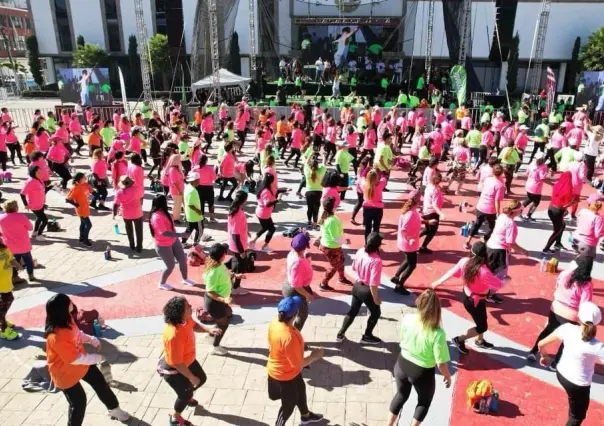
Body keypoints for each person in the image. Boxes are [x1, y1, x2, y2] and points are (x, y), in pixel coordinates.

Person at [45, 293, 130, 425]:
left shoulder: (67, 319)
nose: (72, 303)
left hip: (82, 363)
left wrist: (90, 339)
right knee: (78, 403)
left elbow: (76, 334)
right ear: (62, 309)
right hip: (65, 373)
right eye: (69, 302)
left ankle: (114, 409)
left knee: (101, 384)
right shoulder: (56, 337)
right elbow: (74, 359)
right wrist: (95, 358)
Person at [387, 289, 451, 426]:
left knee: (401, 395)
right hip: (422, 373)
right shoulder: (438, 333)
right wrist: (447, 376)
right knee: (423, 402)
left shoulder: (408, 319)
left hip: (402, 364)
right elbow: (441, 363)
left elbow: (402, 338)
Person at [537, 301, 604, 426]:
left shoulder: (567, 328)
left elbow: (541, 344)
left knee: (574, 402)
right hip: (578, 384)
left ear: (578, 317)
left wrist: (545, 357)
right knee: (577, 417)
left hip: (561, 373)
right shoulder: (597, 347)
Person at [159, 296, 222, 426]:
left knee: (202, 379)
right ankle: (175, 418)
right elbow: (177, 364)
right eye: (187, 306)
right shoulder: (173, 335)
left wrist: (208, 329)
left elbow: (194, 325)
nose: (191, 306)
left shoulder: (185, 319)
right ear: (180, 313)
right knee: (185, 394)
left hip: (188, 361)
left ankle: (188, 396)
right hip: (175, 370)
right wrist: (192, 378)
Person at [432, 241, 504, 353]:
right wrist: (507, 280)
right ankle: (459, 339)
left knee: (482, 319)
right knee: (482, 326)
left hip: (469, 297)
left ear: (471, 252)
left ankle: (479, 340)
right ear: (486, 255)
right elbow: (499, 285)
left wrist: (438, 282)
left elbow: (451, 272)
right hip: (475, 301)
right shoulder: (484, 271)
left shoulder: (465, 262)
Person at [267, 295, 324, 426]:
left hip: (283, 369)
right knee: (289, 405)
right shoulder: (289, 337)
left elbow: (270, 344)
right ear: (295, 314)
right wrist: (314, 356)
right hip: (284, 375)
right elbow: (298, 365)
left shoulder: (275, 322)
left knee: (301, 389)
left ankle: (306, 416)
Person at [528, 256, 593, 369]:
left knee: (548, 330)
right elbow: (585, 304)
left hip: (556, 307)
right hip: (571, 315)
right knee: (567, 339)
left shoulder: (565, 274)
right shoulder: (586, 285)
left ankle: (533, 351)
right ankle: (555, 363)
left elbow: (557, 285)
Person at [337, 232, 384, 344]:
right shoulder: (376, 261)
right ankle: (367, 336)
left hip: (357, 286)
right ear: (378, 245)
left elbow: (353, 267)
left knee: (353, 310)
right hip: (367, 290)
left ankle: (341, 333)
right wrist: (376, 297)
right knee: (376, 313)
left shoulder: (360, 251)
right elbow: (373, 284)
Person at [149, 194, 196, 290]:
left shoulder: (164, 212)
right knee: (170, 266)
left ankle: (185, 278)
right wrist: (181, 235)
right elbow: (165, 233)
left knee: (183, 260)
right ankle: (162, 283)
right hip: (163, 245)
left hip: (173, 240)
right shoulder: (156, 217)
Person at [485, 200, 528, 303]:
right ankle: (489, 294)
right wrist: (523, 251)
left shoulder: (501, 216)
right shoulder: (511, 223)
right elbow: (511, 243)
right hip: (500, 251)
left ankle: (484, 290)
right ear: (517, 211)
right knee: (501, 277)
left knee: (489, 272)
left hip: (490, 246)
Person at [203, 243, 237, 355]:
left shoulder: (219, 265)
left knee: (222, 320)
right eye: (225, 253)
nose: (226, 254)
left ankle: (211, 334)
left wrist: (236, 276)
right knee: (223, 324)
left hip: (220, 301)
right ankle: (215, 346)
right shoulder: (213, 272)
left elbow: (226, 274)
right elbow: (210, 291)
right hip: (214, 303)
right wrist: (223, 300)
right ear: (222, 255)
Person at [464, 164, 505, 249]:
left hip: (481, 205)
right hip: (490, 209)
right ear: (501, 173)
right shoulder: (500, 185)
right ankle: (484, 239)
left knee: (477, 224)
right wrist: (498, 212)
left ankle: (467, 241)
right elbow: (497, 200)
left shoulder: (488, 179)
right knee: (492, 226)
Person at [282, 233, 315, 332]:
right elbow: (296, 286)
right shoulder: (298, 263)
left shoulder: (292, 253)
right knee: (302, 314)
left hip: (289, 284)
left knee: (292, 312)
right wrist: (308, 295)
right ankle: (294, 336)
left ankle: (290, 332)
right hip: (296, 291)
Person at [392, 191, 422, 295]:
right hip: (409, 244)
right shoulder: (411, 214)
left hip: (405, 242)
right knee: (412, 265)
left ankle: (396, 276)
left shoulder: (409, 210)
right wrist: (409, 239)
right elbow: (404, 230)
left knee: (407, 259)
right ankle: (400, 284)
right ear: (417, 200)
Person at [318, 196, 351, 291]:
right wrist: (345, 241)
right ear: (333, 207)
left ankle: (341, 278)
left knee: (341, 261)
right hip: (331, 247)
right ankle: (323, 284)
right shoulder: (332, 220)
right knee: (334, 266)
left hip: (330, 245)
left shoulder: (326, 216)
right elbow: (335, 238)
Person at [543, 172, 579, 254]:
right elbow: (566, 204)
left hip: (551, 208)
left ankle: (557, 244)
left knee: (562, 226)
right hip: (558, 211)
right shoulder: (568, 189)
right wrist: (574, 202)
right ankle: (546, 249)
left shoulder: (556, 185)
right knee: (557, 230)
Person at [227, 191, 250, 296]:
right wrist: (241, 251)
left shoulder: (234, 210)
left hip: (235, 243)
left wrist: (246, 231)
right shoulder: (238, 213)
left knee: (236, 263)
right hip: (238, 244)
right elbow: (236, 235)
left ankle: (231, 282)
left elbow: (236, 228)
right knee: (241, 266)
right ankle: (236, 287)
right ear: (244, 200)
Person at [113, 176, 144, 253]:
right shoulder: (137, 189)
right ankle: (139, 247)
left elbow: (115, 204)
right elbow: (141, 198)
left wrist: (114, 214)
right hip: (137, 213)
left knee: (129, 230)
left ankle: (132, 245)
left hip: (126, 214)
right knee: (139, 230)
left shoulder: (119, 192)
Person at [250, 173, 279, 252]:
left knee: (265, 227)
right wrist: (277, 200)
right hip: (264, 214)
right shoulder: (266, 191)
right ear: (271, 181)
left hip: (261, 212)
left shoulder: (262, 186)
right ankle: (264, 246)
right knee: (272, 229)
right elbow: (267, 204)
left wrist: (286, 189)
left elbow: (277, 190)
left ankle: (252, 241)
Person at [419, 172, 445, 254]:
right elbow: (435, 205)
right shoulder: (435, 190)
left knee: (427, 229)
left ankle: (416, 238)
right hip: (432, 213)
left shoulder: (429, 186)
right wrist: (441, 213)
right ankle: (423, 247)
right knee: (432, 231)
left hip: (426, 211)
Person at [20, 165, 48, 241]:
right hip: (34, 205)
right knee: (45, 220)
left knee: (39, 218)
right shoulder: (29, 182)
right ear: (33, 172)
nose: (40, 173)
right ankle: (39, 235)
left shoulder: (39, 179)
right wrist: (26, 205)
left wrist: (52, 186)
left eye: (40, 171)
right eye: (38, 172)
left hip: (41, 204)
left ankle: (35, 232)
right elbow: (22, 194)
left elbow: (43, 190)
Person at [66, 173, 94, 247]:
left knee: (83, 224)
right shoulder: (75, 187)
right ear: (80, 179)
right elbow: (68, 199)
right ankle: (85, 240)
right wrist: (76, 205)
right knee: (88, 225)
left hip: (85, 208)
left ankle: (81, 238)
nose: (85, 179)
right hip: (81, 210)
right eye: (84, 178)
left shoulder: (83, 185)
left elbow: (90, 192)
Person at [571, 194, 604, 259]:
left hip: (576, 238)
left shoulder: (582, 211)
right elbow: (598, 234)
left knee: (577, 261)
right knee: (585, 267)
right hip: (587, 244)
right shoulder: (598, 218)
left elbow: (578, 223)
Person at [0, 241, 20, 340]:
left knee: (6, 303)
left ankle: (2, 320)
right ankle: (4, 331)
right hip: (1, 286)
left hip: (6, 283)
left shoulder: (3, 248)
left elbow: (11, 257)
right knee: (3, 306)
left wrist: (16, 264)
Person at [521, 152, 547, 221]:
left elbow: (527, 173)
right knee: (536, 202)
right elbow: (543, 178)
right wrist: (553, 184)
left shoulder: (532, 164)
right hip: (536, 187)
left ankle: (519, 212)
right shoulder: (543, 167)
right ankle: (529, 215)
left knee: (529, 199)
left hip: (529, 184)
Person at [362, 169, 387, 241]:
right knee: (376, 228)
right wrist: (381, 171)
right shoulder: (381, 184)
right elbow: (384, 178)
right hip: (378, 208)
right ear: (376, 177)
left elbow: (362, 177)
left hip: (367, 208)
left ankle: (367, 244)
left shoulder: (364, 185)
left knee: (367, 228)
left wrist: (366, 170)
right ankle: (375, 246)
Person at [303, 156, 326, 228]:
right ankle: (315, 223)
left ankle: (309, 221)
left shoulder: (307, 171)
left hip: (309, 192)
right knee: (316, 208)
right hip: (318, 192)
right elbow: (324, 163)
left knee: (309, 208)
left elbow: (306, 162)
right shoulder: (321, 171)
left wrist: (311, 153)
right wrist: (322, 155)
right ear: (317, 165)